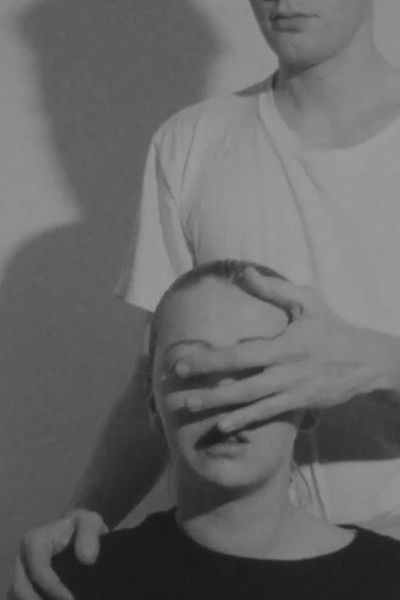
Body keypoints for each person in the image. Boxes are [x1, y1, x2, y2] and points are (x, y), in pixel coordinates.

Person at [9, 0, 400, 598]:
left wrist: (377, 361)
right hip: (229, 566)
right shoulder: (193, 142)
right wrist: (85, 521)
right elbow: (159, 379)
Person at [51, 260, 400, 599]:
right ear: (152, 403)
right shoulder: (77, 581)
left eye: (256, 368)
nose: (224, 397)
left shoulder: (387, 578)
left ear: (309, 405)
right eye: (191, 368)